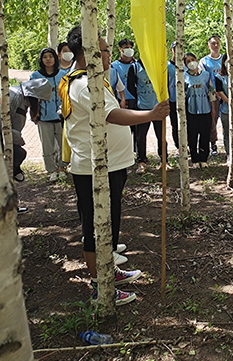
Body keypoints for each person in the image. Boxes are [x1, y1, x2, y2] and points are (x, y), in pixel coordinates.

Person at [61, 26, 169, 305]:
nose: (109, 53)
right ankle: (101, 287)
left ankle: (109, 271)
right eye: (105, 49)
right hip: (94, 168)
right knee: (96, 226)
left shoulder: (95, 80)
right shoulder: (83, 84)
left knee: (108, 223)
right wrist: (151, 114)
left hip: (110, 165)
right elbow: (112, 115)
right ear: (88, 53)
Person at [30, 48, 67, 181]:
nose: (48, 59)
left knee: (63, 144)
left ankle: (62, 168)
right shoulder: (35, 76)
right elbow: (32, 97)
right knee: (47, 145)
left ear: (55, 58)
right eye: (45, 57)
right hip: (44, 117)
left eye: (51, 56)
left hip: (61, 116)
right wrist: (34, 114)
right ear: (41, 60)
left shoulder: (63, 74)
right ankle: (51, 170)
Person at [128, 56, 169, 173]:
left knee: (161, 135)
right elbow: (131, 86)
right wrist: (139, 98)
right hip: (142, 108)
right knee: (140, 136)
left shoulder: (158, 66)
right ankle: (141, 162)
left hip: (158, 106)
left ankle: (164, 161)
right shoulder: (135, 67)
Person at [184, 53, 213, 168]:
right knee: (192, 135)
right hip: (191, 110)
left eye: (193, 59)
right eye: (188, 61)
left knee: (205, 135)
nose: (191, 62)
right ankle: (195, 159)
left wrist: (213, 109)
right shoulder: (183, 76)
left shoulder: (206, 75)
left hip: (205, 109)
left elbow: (211, 92)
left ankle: (204, 158)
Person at [111, 39, 138, 152]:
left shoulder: (138, 65)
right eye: (126, 47)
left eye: (130, 47)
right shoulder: (114, 66)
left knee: (137, 130)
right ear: (120, 49)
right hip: (122, 102)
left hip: (137, 101)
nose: (129, 50)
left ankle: (137, 153)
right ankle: (124, 152)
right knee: (124, 130)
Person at [199, 35, 224, 156]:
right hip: (212, 95)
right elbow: (203, 78)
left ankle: (230, 142)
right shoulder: (204, 61)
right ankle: (213, 144)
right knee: (212, 119)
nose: (216, 45)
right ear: (209, 46)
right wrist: (213, 91)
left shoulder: (225, 59)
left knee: (227, 118)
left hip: (225, 94)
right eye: (213, 43)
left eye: (217, 43)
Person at [215, 54, 231, 155]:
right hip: (226, 109)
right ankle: (230, 154)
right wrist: (230, 102)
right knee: (227, 132)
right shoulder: (219, 76)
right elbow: (220, 91)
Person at [168, 43, 179, 152]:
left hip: (186, 100)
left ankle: (188, 144)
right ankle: (178, 146)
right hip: (172, 100)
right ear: (172, 50)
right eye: (176, 48)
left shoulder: (186, 64)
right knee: (175, 124)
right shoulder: (167, 66)